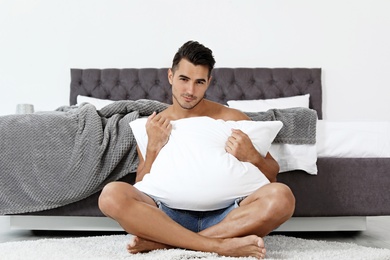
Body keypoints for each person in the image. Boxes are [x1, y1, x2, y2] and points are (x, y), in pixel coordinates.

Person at [98, 41, 295, 259]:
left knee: (283, 197)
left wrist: (252, 156)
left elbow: (272, 176)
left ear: (209, 82)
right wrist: (153, 147)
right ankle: (220, 246)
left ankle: (168, 243)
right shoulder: (156, 125)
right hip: (167, 214)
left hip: (229, 216)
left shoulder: (232, 118)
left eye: (199, 82)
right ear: (171, 76)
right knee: (111, 195)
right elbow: (143, 184)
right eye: (184, 79)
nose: (190, 91)